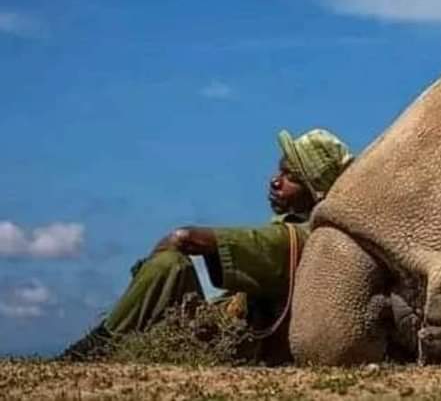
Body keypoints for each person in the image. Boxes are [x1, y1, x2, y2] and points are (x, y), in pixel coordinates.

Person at [61, 127, 353, 363]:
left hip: (230, 346)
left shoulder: (301, 238)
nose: (276, 182)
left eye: (291, 177)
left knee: (170, 265)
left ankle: (91, 350)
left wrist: (177, 241)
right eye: (280, 171)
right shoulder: (304, 233)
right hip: (218, 332)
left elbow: (187, 238)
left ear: (315, 193)